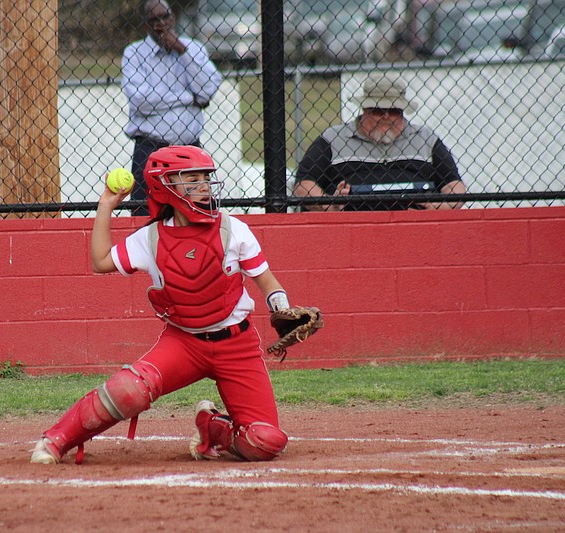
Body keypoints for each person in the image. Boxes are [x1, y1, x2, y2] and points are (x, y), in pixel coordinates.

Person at [31, 145, 299, 465]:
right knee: (129, 390)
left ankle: (213, 428)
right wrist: (106, 205)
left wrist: (281, 309)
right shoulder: (151, 238)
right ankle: (56, 439)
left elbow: (269, 283)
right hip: (184, 343)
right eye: (192, 179)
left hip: (236, 345)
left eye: (206, 178)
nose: (204, 186)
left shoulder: (233, 230)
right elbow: (101, 261)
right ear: (164, 186)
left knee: (265, 442)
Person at [294, 73, 466, 211]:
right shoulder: (334, 138)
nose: (385, 117)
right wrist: (331, 205)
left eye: (393, 111)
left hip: (414, 225)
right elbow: (303, 185)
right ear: (364, 109)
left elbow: (455, 185)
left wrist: (442, 206)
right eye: (377, 110)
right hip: (350, 226)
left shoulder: (425, 138)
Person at [122, 0, 222, 216]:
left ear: (173, 17)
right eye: (154, 19)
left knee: (196, 214)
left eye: (165, 16)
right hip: (152, 149)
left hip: (190, 149)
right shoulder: (134, 54)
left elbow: (209, 88)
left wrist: (182, 50)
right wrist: (188, 97)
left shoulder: (192, 48)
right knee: (145, 217)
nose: (161, 24)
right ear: (146, 25)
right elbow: (141, 101)